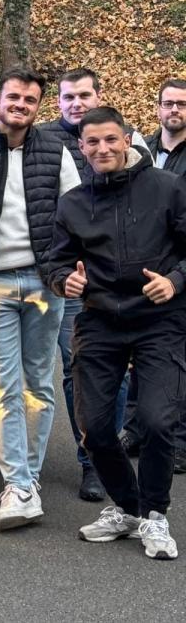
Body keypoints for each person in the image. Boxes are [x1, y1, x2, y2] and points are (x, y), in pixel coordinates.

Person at [49, 106, 186, 561]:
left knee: (156, 421)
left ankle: (156, 513)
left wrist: (175, 280)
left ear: (127, 138)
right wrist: (63, 279)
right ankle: (128, 508)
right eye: (93, 142)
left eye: (111, 139)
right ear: (82, 148)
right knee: (94, 430)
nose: (102, 149)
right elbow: (55, 260)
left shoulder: (166, 188)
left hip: (159, 321)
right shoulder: (72, 203)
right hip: (99, 322)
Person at [0, 68, 80, 530]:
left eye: (29, 100)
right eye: (13, 96)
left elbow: (77, 211)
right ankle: (18, 483)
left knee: (39, 386)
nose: (20, 105)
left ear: (39, 106)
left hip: (43, 282)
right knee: (4, 387)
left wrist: (72, 267)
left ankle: (25, 483)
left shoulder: (56, 150)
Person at [36, 68, 140, 501]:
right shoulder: (40, 141)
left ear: (98, 95)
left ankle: (97, 463)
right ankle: (33, 469)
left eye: (83, 95)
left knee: (103, 374)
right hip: (55, 273)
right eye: (67, 97)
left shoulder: (125, 140)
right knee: (56, 374)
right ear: (57, 102)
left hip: (105, 283)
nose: (75, 103)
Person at [120, 77, 186, 474]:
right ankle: (134, 429)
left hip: (181, 264)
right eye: (168, 103)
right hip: (146, 264)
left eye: (181, 103)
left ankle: (176, 441)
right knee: (137, 352)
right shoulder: (141, 147)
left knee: (176, 361)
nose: (174, 110)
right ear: (158, 107)